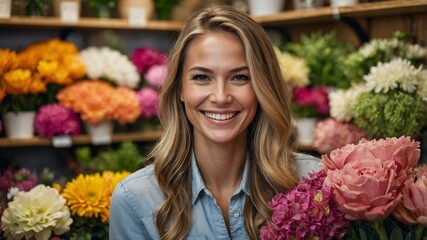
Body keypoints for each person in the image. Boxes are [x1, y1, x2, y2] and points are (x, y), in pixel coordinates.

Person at [109, 4, 320, 240]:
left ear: (263, 88)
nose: (220, 97)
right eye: (202, 77)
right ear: (180, 88)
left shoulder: (312, 182)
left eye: (240, 77)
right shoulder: (135, 200)